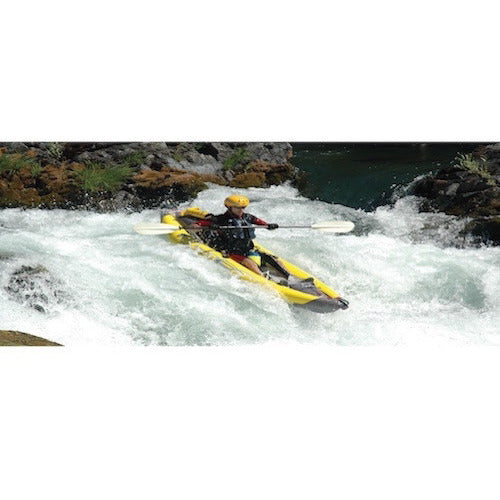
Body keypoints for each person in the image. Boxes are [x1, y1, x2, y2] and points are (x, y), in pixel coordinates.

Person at [194, 194, 284, 277]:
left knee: (276, 261)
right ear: (229, 207)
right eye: (237, 208)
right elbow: (197, 225)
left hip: (248, 248)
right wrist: (211, 226)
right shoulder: (220, 219)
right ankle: (263, 277)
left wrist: (268, 226)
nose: (241, 210)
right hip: (232, 251)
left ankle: (289, 277)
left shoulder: (247, 217)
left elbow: (260, 222)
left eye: (243, 207)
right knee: (250, 263)